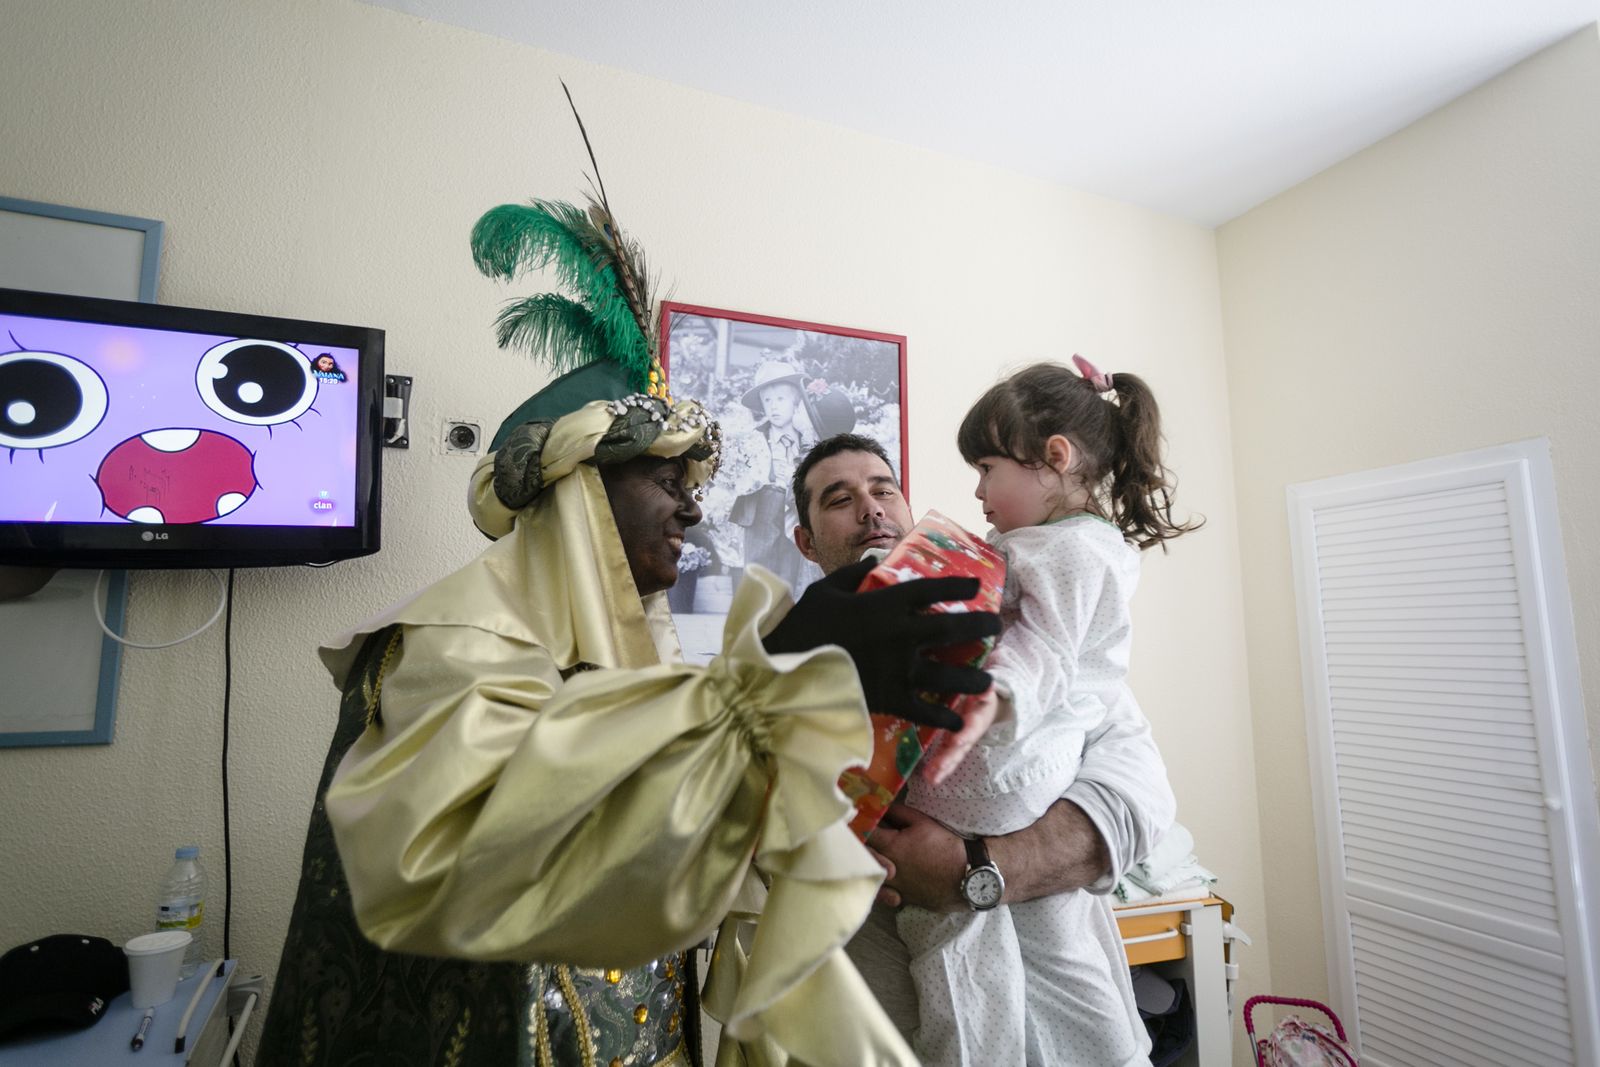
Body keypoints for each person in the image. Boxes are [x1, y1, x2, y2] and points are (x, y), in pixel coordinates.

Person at [257, 359, 999, 1067]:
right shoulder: (459, 641)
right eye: (668, 479)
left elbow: (651, 824)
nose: (694, 506)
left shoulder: (615, 663)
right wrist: (761, 699)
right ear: (581, 488)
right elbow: (461, 868)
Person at [790, 421, 1183, 1067]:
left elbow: (1141, 794)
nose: (871, 508)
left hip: (1074, 1017)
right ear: (806, 540)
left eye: (885, 488)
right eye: (839, 498)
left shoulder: (1015, 612)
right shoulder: (782, 660)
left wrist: (979, 867)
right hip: (880, 1024)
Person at [727, 360, 818, 592]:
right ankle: (757, 620)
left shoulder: (807, 439)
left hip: (796, 512)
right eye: (768, 401)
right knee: (759, 568)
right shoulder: (753, 438)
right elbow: (738, 475)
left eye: (780, 399)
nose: (774, 407)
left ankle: (787, 619)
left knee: (791, 568)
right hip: (763, 511)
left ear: (796, 401)